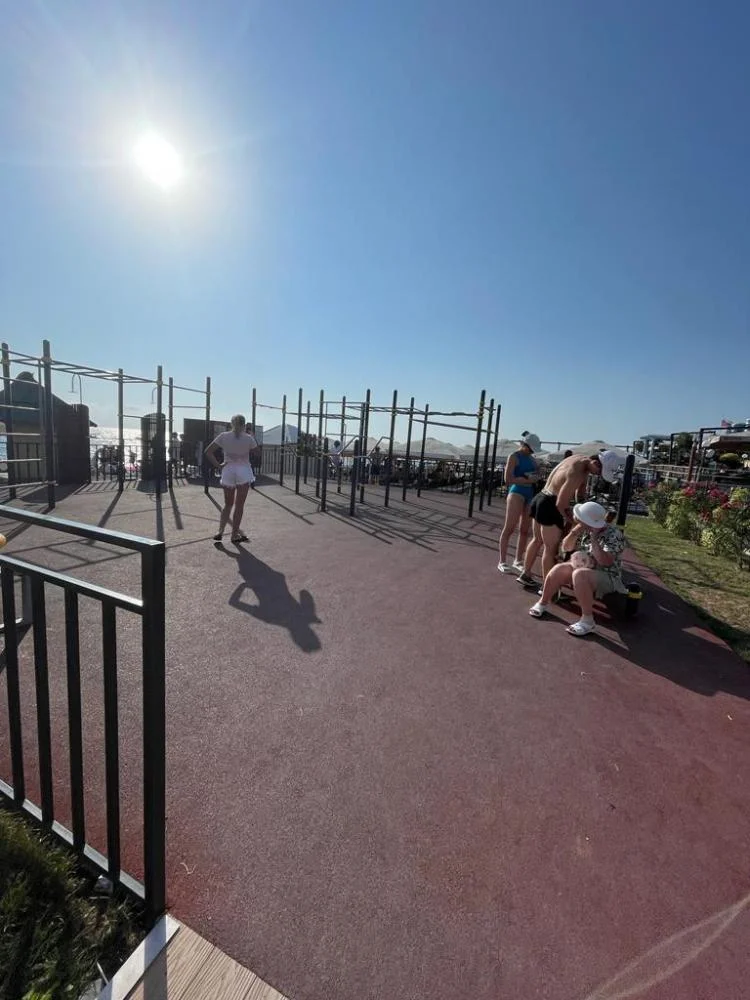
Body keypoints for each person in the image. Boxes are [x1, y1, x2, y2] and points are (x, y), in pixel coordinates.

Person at [517, 449, 621, 588]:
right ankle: (549, 588)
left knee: (537, 540)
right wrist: (577, 521)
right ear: (596, 463)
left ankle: (525, 574)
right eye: (599, 472)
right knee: (551, 548)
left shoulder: (580, 459)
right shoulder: (577, 473)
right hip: (550, 503)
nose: (597, 475)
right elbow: (561, 504)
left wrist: (583, 506)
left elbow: (580, 493)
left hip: (540, 497)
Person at [528, 501, 627, 636]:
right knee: (558, 569)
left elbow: (605, 562)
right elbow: (566, 548)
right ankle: (543, 603)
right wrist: (574, 532)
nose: (579, 522)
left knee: (580, 574)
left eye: (582, 520)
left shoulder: (614, 534)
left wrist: (594, 538)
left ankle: (588, 621)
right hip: (582, 566)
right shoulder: (584, 529)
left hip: (608, 576)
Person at [204, 414, 260, 544]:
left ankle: (220, 531)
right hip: (243, 470)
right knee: (239, 505)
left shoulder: (223, 436)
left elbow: (208, 452)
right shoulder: (248, 438)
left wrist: (218, 465)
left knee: (228, 504)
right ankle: (234, 535)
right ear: (244, 425)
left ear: (231, 424)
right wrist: (252, 437)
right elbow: (258, 453)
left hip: (228, 469)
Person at [497, 431, 541, 573]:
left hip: (530, 493)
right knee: (509, 527)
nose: (532, 452)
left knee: (524, 530)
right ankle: (502, 561)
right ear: (525, 445)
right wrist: (525, 479)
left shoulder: (533, 460)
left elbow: (537, 475)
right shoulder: (514, 456)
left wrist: (535, 476)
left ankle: (518, 560)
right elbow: (507, 479)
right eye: (530, 449)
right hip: (516, 492)